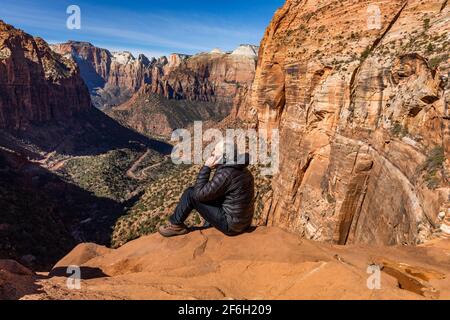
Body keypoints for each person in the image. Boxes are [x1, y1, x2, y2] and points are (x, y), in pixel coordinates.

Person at [158, 141, 255, 237]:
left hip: (231, 225)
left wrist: (206, 167)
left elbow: (198, 194)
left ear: (224, 157)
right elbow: (214, 192)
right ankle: (208, 225)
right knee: (211, 195)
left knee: (190, 193)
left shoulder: (226, 174)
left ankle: (176, 226)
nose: (212, 153)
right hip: (244, 222)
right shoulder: (242, 169)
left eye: (216, 151)